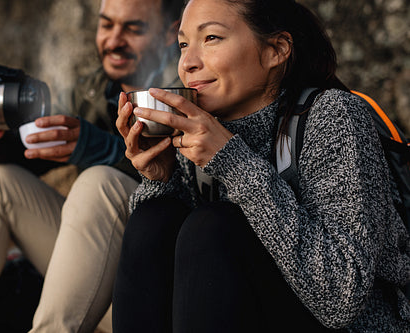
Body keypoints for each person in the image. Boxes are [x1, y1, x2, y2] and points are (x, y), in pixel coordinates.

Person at [113, 0, 410, 331]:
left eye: (211, 38)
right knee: (153, 220)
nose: (188, 63)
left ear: (276, 50)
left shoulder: (332, 116)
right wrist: (160, 178)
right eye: (183, 44)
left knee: (212, 226)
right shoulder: (200, 127)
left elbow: (342, 298)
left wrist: (232, 160)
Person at [0, 0, 183, 332]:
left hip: (158, 297)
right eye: (106, 25)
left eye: (133, 28)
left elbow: (194, 187)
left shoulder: (186, 88)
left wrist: (102, 150)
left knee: (99, 181)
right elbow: (28, 151)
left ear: (171, 34)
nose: (113, 40)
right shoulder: (95, 89)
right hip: (98, 284)